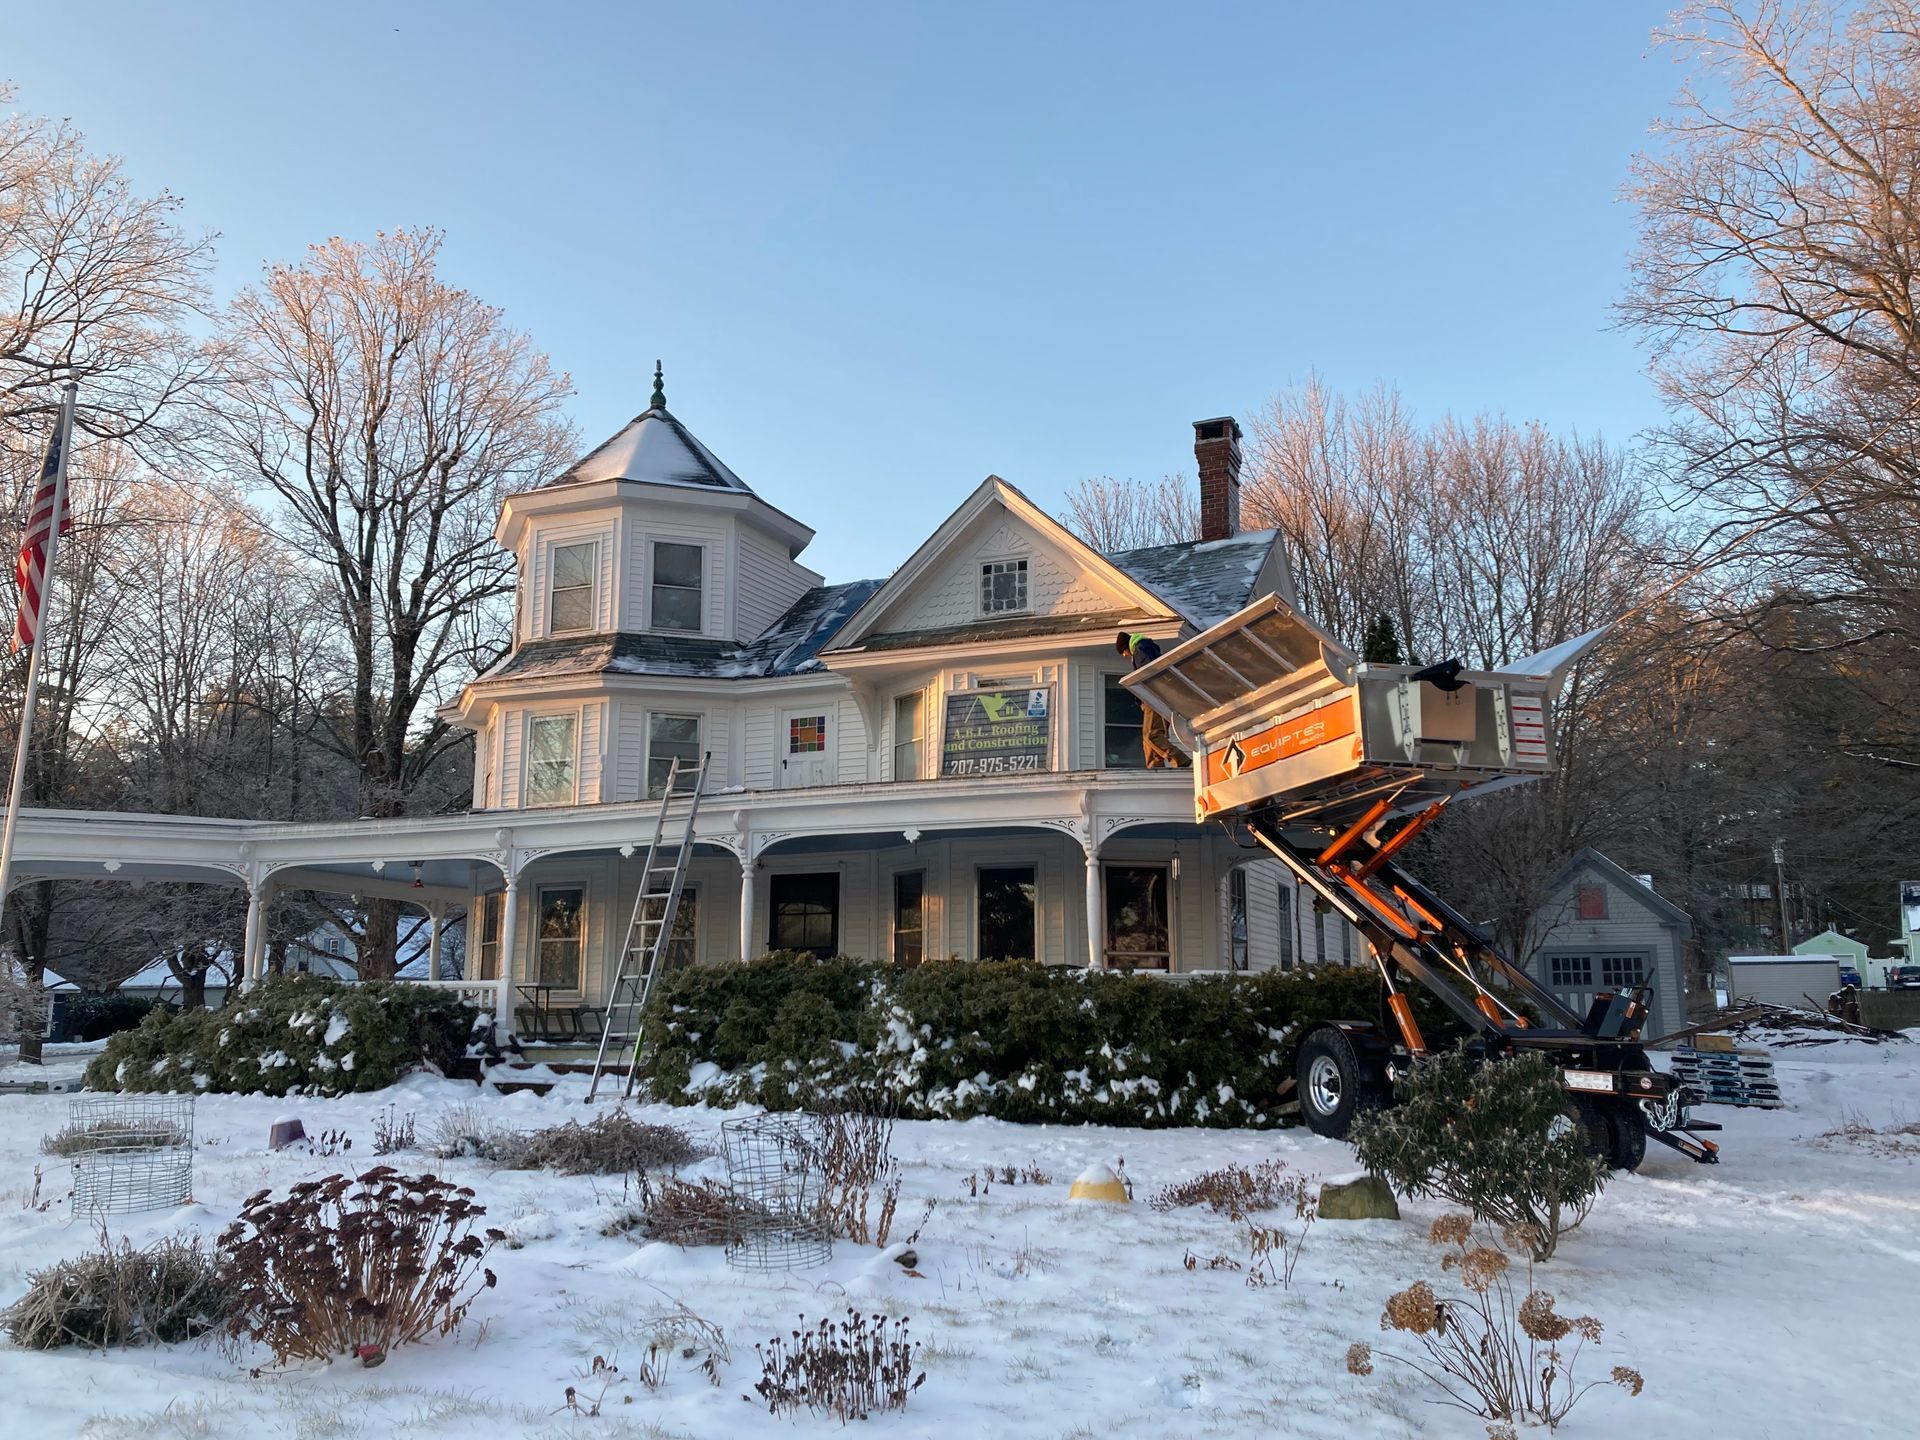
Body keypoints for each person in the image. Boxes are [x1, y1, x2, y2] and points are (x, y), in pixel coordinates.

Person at [1116, 631, 1185, 768]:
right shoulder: (1145, 648)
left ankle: (1179, 758)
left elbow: (1148, 672)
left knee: (1152, 735)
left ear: (1126, 647)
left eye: (1123, 652)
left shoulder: (1140, 649)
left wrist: (1145, 696)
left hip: (1154, 696)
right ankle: (1154, 765)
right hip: (1157, 696)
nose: (1125, 655)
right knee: (1148, 737)